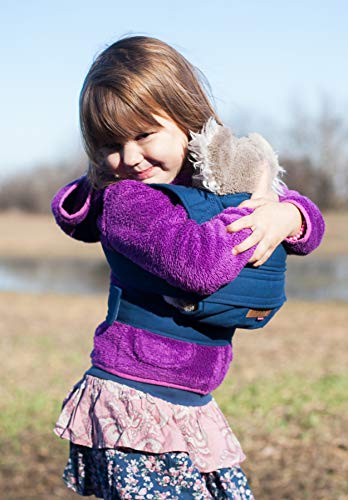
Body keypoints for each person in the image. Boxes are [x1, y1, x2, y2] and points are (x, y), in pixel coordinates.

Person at [52, 36, 325, 499]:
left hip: (190, 403)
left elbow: (311, 232)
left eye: (143, 134)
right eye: (111, 145)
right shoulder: (127, 202)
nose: (130, 157)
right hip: (136, 405)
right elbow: (197, 265)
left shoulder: (210, 189)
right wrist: (254, 214)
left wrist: (287, 214)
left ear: (185, 118)